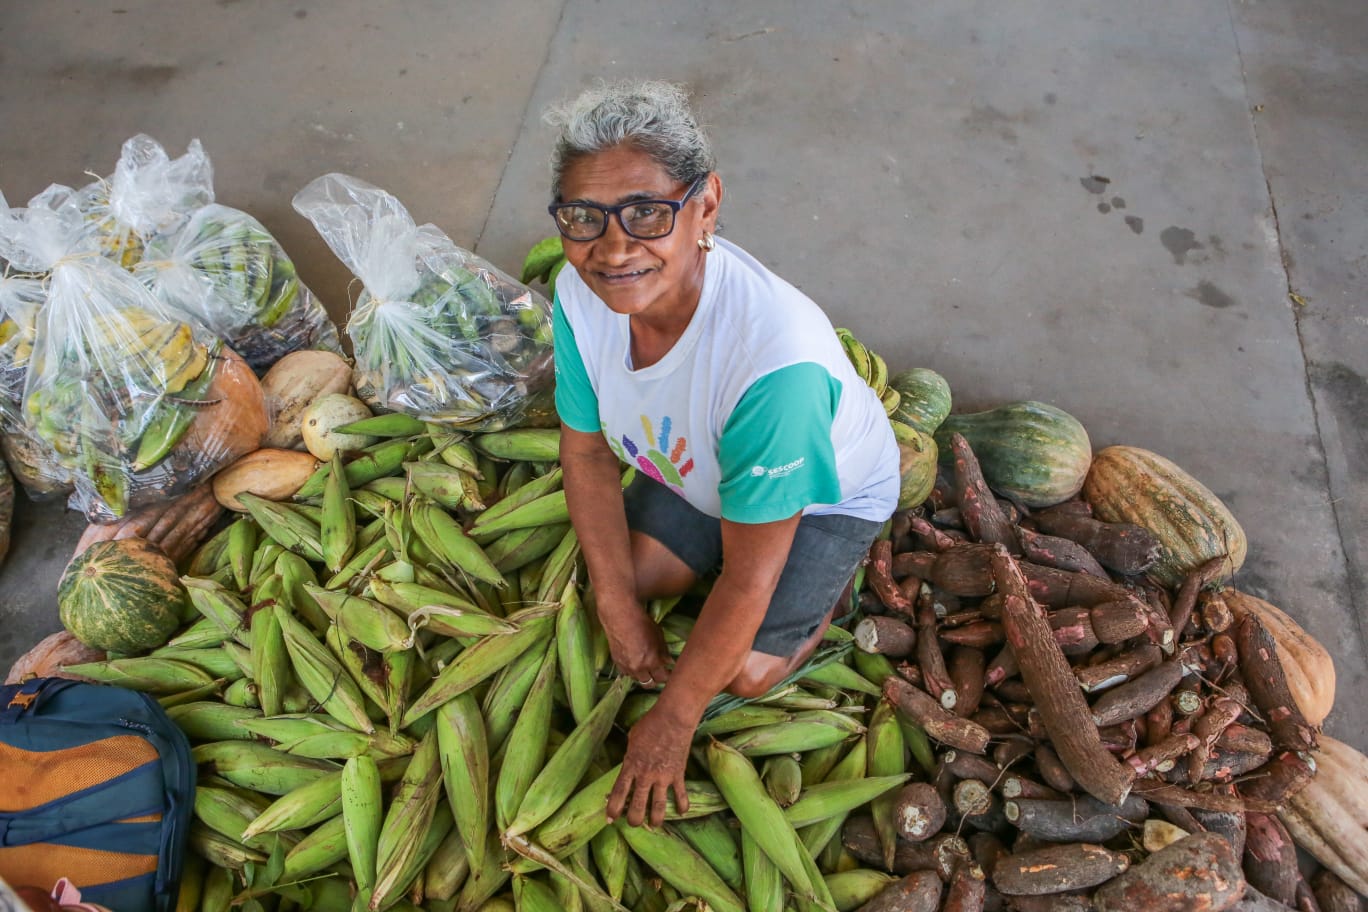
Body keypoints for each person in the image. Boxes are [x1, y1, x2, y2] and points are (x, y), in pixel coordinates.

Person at [545, 79, 900, 829]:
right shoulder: (579, 295)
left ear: (704, 207)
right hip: (694, 469)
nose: (613, 249)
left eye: (646, 213)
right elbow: (583, 452)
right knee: (629, 578)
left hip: (820, 496)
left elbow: (747, 577)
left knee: (742, 670)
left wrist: (672, 726)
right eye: (584, 218)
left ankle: (827, 590)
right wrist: (615, 606)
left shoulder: (774, 369)